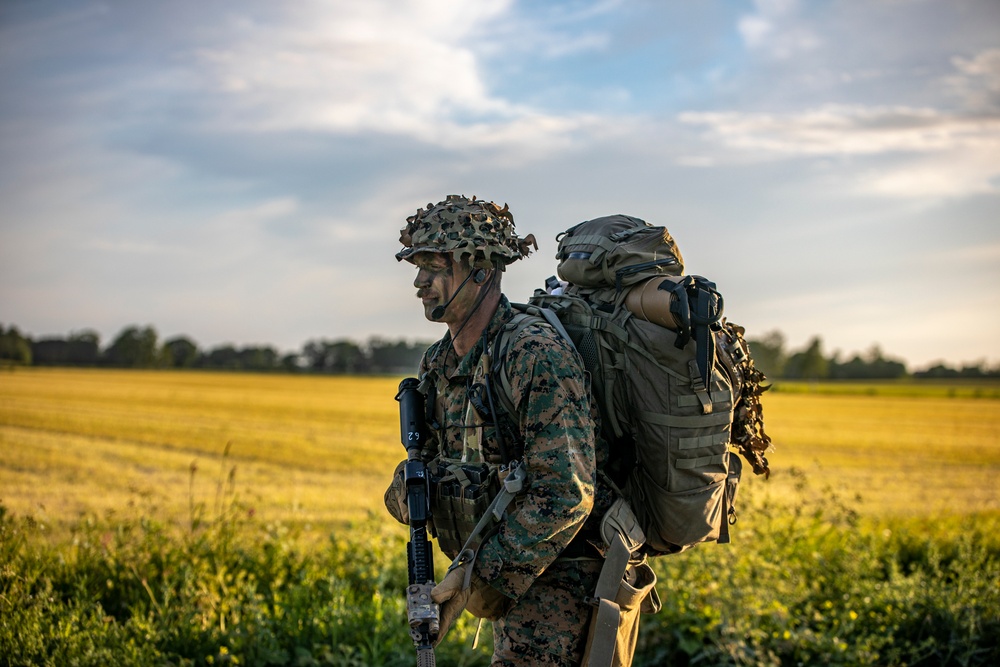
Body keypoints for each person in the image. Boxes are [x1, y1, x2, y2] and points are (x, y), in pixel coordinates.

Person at [384, 194, 617, 666]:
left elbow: (565, 495)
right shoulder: (441, 360)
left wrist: (476, 577)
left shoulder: (534, 354)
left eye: (434, 267)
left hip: (560, 588)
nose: (419, 282)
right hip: (504, 578)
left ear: (481, 271)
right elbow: (432, 462)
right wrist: (405, 492)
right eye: (417, 267)